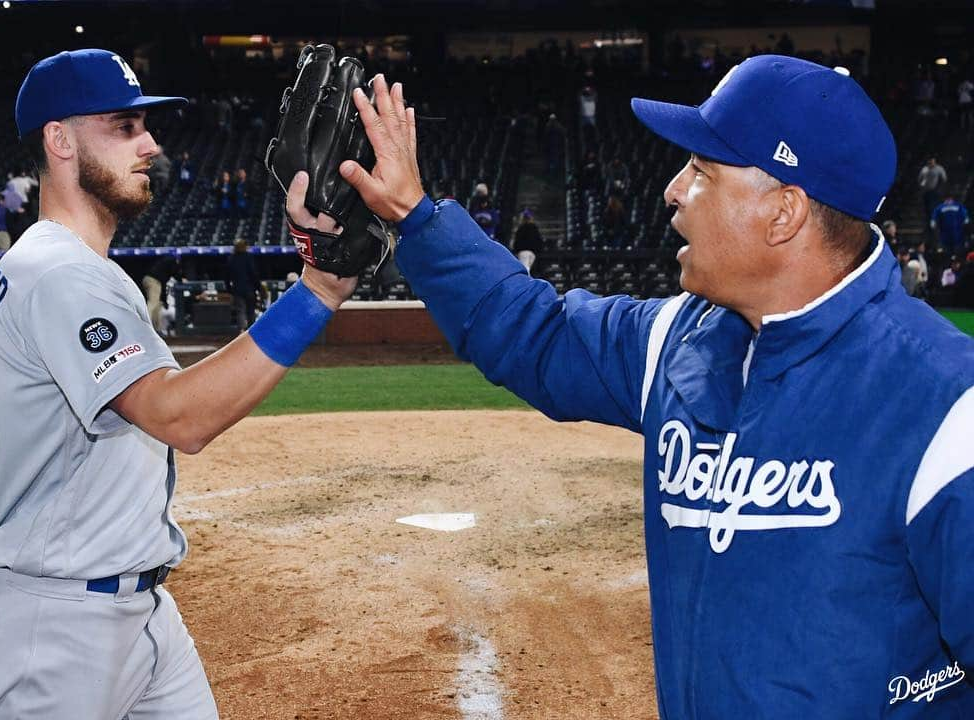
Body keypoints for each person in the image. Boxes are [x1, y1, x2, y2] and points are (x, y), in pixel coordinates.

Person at [338, 58, 974, 717]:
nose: (672, 190)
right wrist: (414, 214)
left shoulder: (945, 405)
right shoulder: (681, 339)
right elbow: (536, 333)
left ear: (783, 213)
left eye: (701, 171)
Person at [0, 48, 357, 720]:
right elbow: (177, 417)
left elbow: (19, 424)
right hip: (55, 635)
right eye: (123, 126)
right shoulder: (61, 274)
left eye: (145, 126)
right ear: (60, 140)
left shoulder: (58, 267)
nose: (150, 144)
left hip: (135, 615)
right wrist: (315, 292)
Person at [226, 239, 265, 326]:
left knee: (240, 311)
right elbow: (253, 273)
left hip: (237, 289)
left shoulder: (231, 258)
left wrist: (229, 289)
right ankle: (251, 332)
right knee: (250, 311)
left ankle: (241, 330)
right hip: (249, 289)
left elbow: (227, 277)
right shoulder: (248, 257)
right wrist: (258, 287)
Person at [142, 254, 180, 334]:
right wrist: (181, 278)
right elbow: (175, 271)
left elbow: (163, 288)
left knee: (157, 305)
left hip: (148, 279)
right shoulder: (172, 261)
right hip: (154, 280)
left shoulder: (163, 264)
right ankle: (145, 325)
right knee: (153, 303)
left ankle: (157, 329)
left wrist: (164, 300)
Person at [511, 208, 542, 273]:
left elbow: (517, 241)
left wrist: (516, 250)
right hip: (532, 252)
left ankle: (525, 282)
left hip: (524, 252)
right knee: (527, 271)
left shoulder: (521, 228)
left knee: (526, 271)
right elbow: (538, 240)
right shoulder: (533, 227)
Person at [917, 157, 947, 222]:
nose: (931, 163)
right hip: (926, 191)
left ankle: (936, 221)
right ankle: (929, 223)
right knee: (927, 209)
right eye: (930, 162)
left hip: (936, 191)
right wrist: (922, 186)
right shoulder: (925, 169)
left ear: (935, 161)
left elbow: (944, 179)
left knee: (935, 207)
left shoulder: (939, 168)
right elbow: (920, 180)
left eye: (933, 161)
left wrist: (939, 188)